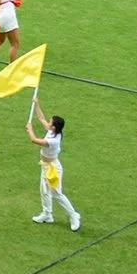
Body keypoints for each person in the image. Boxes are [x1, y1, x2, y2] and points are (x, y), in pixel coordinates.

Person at [27, 98, 80, 231]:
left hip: (53, 169)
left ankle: (73, 215)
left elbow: (34, 140)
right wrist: (37, 103)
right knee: (44, 191)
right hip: (45, 166)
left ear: (54, 127)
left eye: (50, 122)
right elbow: (41, 118)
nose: (48, 123)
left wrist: (30, 129)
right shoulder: (53, 131)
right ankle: (47, 214)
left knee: (56, 194)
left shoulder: (53, 140)